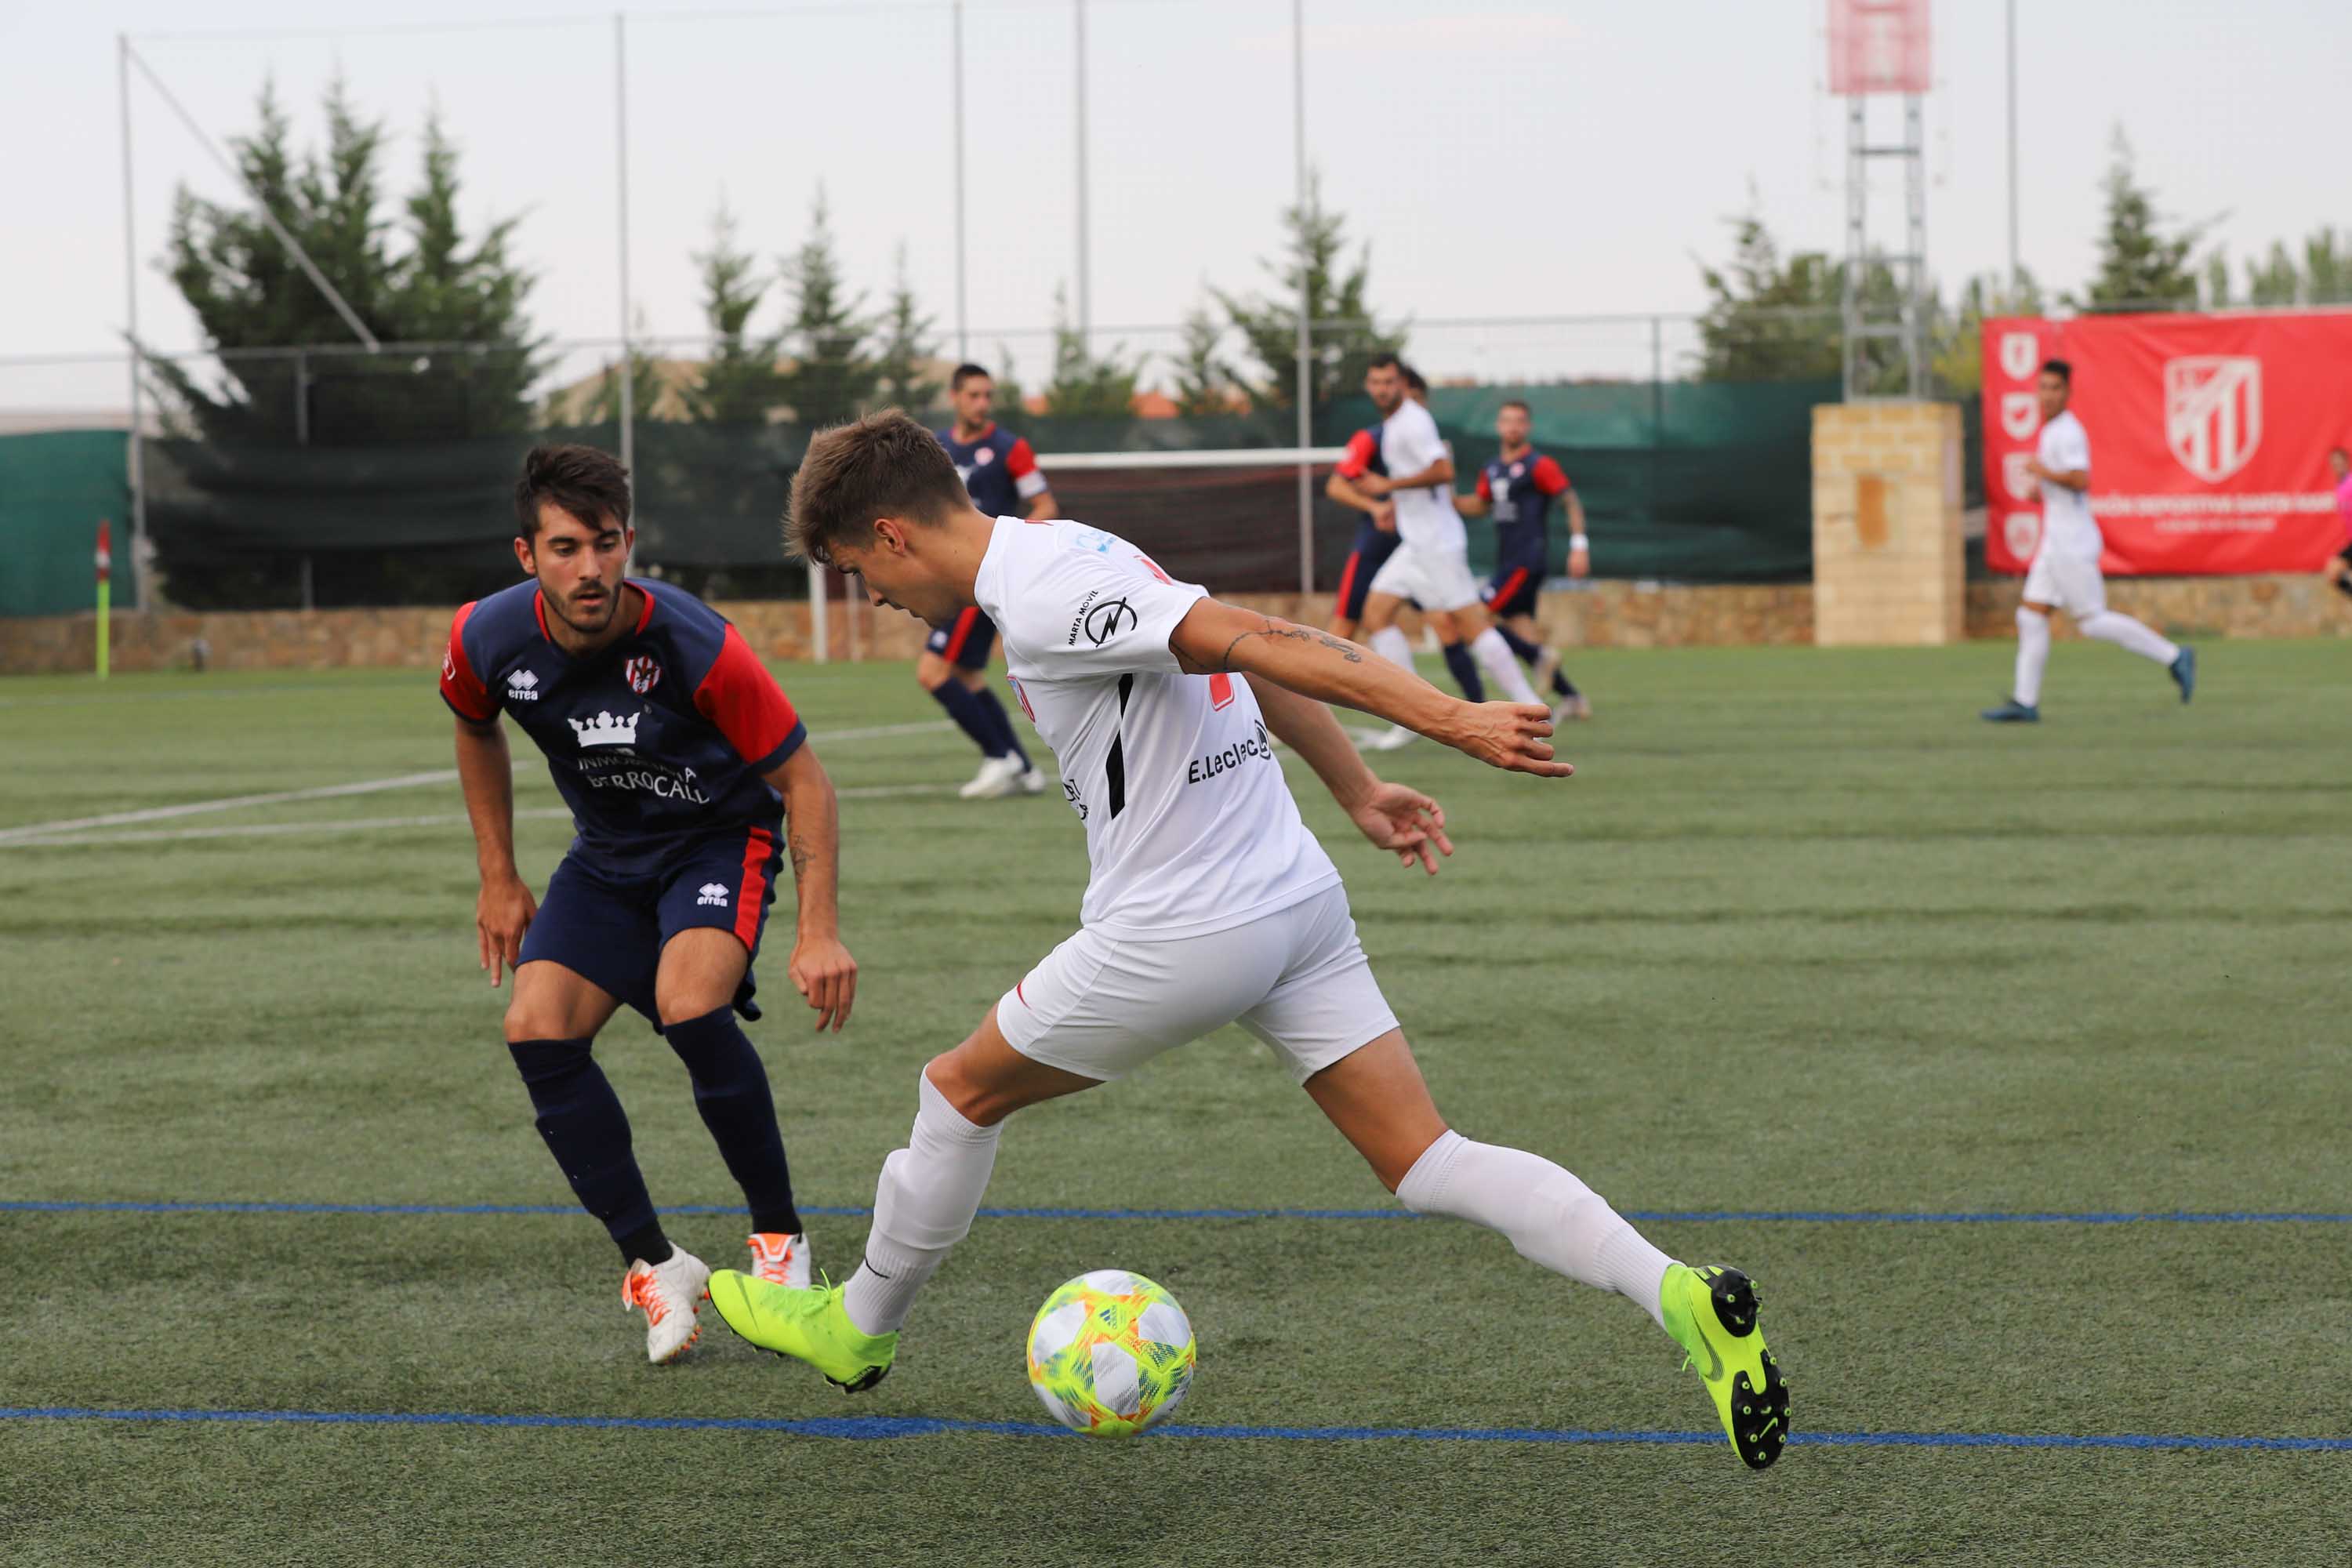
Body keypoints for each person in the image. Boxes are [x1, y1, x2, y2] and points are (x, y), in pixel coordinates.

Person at [700, 411, 1791, 1471]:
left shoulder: (1041, 596)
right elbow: (1236, 653)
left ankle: (858, 1326)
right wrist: (1356, 786)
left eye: (858, 571)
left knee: (956, 1094)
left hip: (1181, 930)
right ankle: (1680, 1296)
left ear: (891, 534)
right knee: (1426, 1159)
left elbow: (1264, 640)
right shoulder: (1075, 548)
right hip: (1294, 904)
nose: (876, 596)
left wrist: (1448, 719)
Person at [444, 443, 858, 1363]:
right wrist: (498, 873)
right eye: (563, 548)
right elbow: (475, 728)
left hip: (717, 837)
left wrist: (818, 929)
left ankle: (781, 1244)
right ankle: (656, 1263)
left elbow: (806, 779)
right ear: (527, 556)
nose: (587, 568)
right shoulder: (484, 637)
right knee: (536, 1028)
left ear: (629, 541)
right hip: (606, 857)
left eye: (603, 543)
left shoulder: (694, 641)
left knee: (690, 1001)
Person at [1983, 359, 2195, 723]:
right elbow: (2065, 486)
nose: (2046, 395)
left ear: (2068, 392)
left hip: (2071, 543)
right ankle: (2025, 702)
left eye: (2054, 388)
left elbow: (2081, 480)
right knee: (2030, 615)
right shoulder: (2051, 431)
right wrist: (2043, 490)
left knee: (2092, 622)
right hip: (2054, 542)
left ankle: (2174, 657)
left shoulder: (2068, 431)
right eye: (2042, 387)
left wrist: (2043, 472)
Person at [1350, 356, 1542, 750]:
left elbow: (1443, 472)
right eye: (1375, 382)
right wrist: (1394, 503)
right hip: (1415, 543)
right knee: (1376, 613)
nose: (1381, 389)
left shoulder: (1414, 421)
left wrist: (1389, 485)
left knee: (1473, 626)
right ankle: (1407, 717)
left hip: (1437, 543)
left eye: (1389, 381)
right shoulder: (1394, 425)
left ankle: (1533, 709)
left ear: (1402, 384)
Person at [927, 363, 1054, 798]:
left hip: (979, 577)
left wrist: (1011, 545)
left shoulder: (1009, 448)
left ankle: (999, 757)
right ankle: (1022, 766)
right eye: (973, 395)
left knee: (934, 672)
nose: (982, 403)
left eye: (987, 395)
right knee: (968, 675)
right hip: (952, 576)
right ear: (955, 397)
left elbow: (1044, 504)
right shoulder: (938, 447)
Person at [1452, 398, 1592, 723]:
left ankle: (1531, 665)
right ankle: (1572, 696)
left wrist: (1579, 545)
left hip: (1526, 560)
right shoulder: (1492, 468)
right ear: (1499, 426)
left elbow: (1570, 501)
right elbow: (1482, 504)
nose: (1512, 427)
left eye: (1519, 421)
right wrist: (1451, 501)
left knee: (1475, 618)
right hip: (1509, 561)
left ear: (1527, 427)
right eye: (1506, 421)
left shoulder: (1538, 465)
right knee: (1522, 633)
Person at [2323, 446, 2352, 601]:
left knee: (2333, 570)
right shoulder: (2340, 487)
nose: (2337, 467)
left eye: (2340, 463)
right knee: (2332, 573)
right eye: (2334, 464)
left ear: (2347, 463)